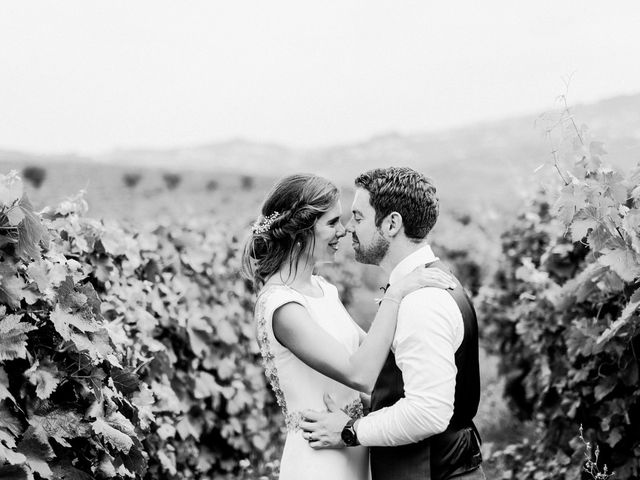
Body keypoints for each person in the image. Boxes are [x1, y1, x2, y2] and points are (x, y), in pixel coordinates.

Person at [242, 173, 457, 480]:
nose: (343, 231)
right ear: (300, 231)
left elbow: (377, 355)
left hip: (349, 446)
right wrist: (395, 293)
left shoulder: (323, 288)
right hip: (318, 458)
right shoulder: (282, 306)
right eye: (332, 223)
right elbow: (360, 374)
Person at [300, 167, 485, 480]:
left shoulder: (422, 301)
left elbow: (427, 413)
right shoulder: (425, 286)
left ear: (391, 223)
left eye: (358, 217)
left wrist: (350, 431)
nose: (348, 229)